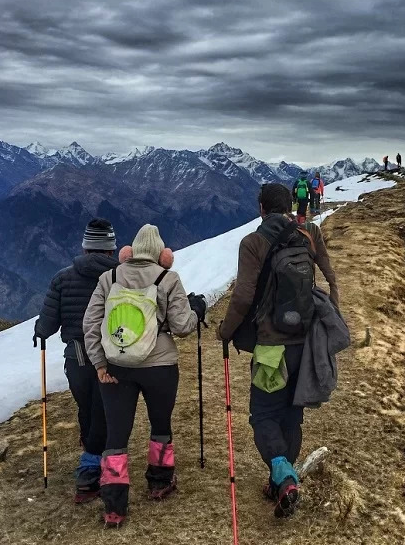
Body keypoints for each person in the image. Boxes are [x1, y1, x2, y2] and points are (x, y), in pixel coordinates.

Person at [218, 184, 341, 519]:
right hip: (305, 342)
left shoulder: (253, 242)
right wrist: (333, 314)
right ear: (290, 205)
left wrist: (226, 331)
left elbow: (243, 296)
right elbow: (330, 276)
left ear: (261, 208)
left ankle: (285, 478)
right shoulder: (309, 233)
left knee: (263, 415)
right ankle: (279, 482)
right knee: (291, 415)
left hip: (271, 348)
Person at [81, 224, 205, 528]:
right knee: (160, 424)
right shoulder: (168, 278)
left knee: (116, 433)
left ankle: (114, 505)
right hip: (160, 367)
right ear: (162, 255)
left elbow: (91, 324)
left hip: (116, 366)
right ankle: (159, 482)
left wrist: (100, 363)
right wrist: (196, 309)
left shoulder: (109, 277)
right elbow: (183, 326)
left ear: (130, 251)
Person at [34, 219, 121, 505]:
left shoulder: (63, 278)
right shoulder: (120, 276)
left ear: (85, 247)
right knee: (105, 410)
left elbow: (47, 324)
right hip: (112, 355)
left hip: (77, 356)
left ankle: (90, 462)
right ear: (111, 249)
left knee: (87, 407)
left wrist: (39, 331)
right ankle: (94, 468)